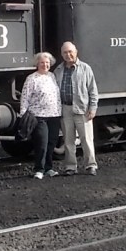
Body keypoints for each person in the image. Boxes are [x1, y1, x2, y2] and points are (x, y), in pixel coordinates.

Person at [53, 41, 98, 175]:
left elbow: (93, 90)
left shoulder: (85, 68)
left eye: (70, 52)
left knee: (87, 139)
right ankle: (71, 167)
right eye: (65, 52)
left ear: (76, 52)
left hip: (82, 108)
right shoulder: (58, 70)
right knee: (68, 140)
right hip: (65, 109)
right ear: (62, 54)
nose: (68, 55)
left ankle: (91, 165)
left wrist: (93, 107)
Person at [18, 51, 62, 180]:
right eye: (42, 62)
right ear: (37, 64)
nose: (45, 65)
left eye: (47, 63)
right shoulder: (31, 79)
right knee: (41, 142)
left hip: (54, 114)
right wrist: (23, 114)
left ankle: (49, 168)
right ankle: (39, 169)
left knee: (51, 142)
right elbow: (25, 98)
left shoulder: (52, 76)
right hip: (39, 116)